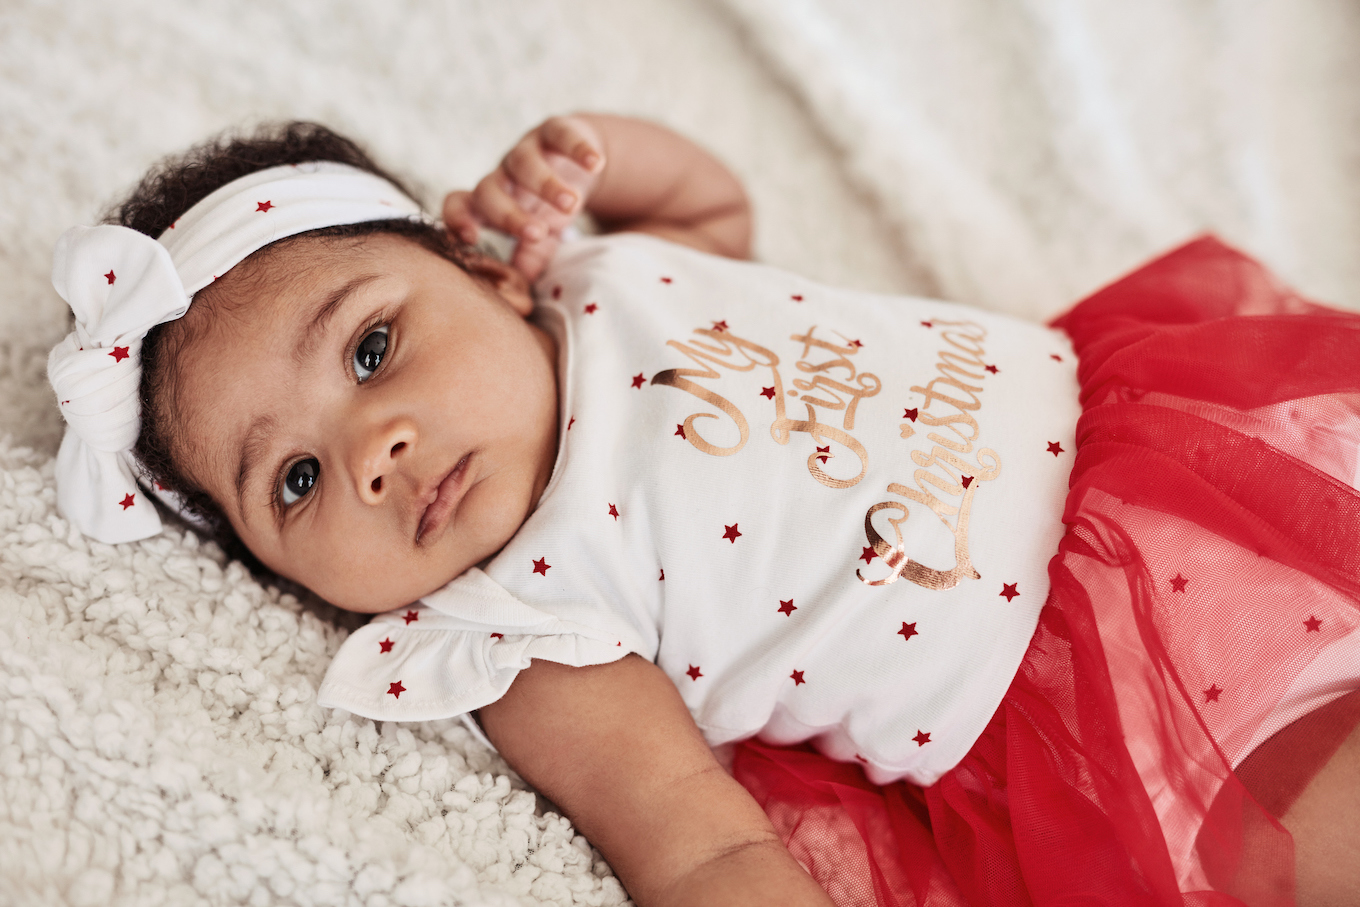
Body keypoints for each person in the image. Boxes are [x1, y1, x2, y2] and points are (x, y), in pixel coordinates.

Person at [46, 114, 1360, 907]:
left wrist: (583, 152)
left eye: (375, 348)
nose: (371, 449)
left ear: (487, 276)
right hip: (1077, 693)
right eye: (296, 483)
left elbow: (707, 203)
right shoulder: (526, 629)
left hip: (1167, 451)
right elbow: (698, 844)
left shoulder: (600, 282)